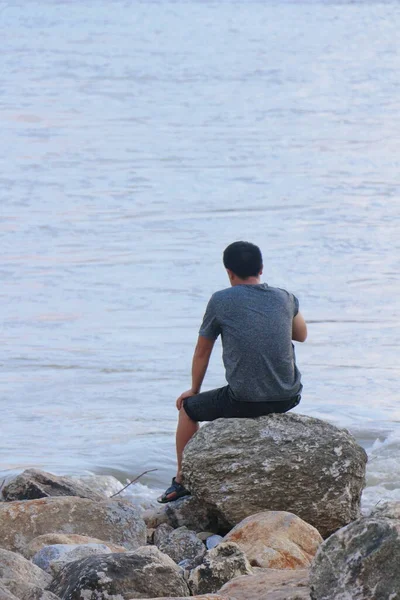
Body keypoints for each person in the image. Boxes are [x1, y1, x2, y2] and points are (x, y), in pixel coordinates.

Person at [158, 241, 307, 503]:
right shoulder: (286, 297)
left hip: (243, 400)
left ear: (229, 272)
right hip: (289, 396)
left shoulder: (221, 300)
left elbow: (202, 351)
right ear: (261, 268)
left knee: (188, 409)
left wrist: (194, 390)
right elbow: (301, 335)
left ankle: (182, 479)